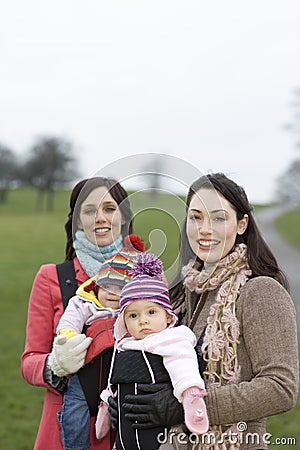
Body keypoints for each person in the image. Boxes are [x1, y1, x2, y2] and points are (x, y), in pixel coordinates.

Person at [113, 173, 299, 450]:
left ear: (241, 224)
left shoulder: (260, 291)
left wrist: (191, 405)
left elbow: (281, 388)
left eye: (219, 218)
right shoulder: (186, 292)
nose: (204, 229)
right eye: (196, 217)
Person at [21, 176, 141, 450]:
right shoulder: (51, 277)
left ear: (123, 217)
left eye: (109, 208)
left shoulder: (144, 277)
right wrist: (55, 365)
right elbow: (29, 362)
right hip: (65, 432)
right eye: (89, 210)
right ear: (77, 220)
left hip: (127, 430)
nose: (100, 217)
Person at [100, 252, 209, 450]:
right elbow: (112, 380)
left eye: (151, 312)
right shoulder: (124, 345)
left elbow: (183, 365)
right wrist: (108, 402)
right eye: (133, 315)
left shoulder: (171, 339)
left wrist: (190, 393)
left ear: (168, 316)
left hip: (158, 437)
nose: (143, 320)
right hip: (125, 436)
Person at [51, 242, 144, 450]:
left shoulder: (130, 311)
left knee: (122, 416)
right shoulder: (86, 304)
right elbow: (69, 320)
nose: (112, 293)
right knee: (74, 412)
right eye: (107, 286)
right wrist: (68, 336)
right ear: (96, 285)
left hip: (116, 378)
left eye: (120, 288)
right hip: (85, 374)